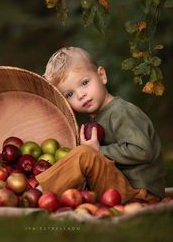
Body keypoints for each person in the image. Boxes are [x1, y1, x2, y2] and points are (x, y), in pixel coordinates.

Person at [35, 46, 165, 204]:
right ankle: (46, 194)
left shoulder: (121, 112)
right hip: (118, 187)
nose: (81, 95)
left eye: (84, 83)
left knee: (84, 154)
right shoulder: (97, 120)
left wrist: (98, 151)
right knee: (81, 153)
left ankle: (37, 192)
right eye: (69, 94)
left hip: (139, 191)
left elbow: (143, 150)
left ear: (102, 75)